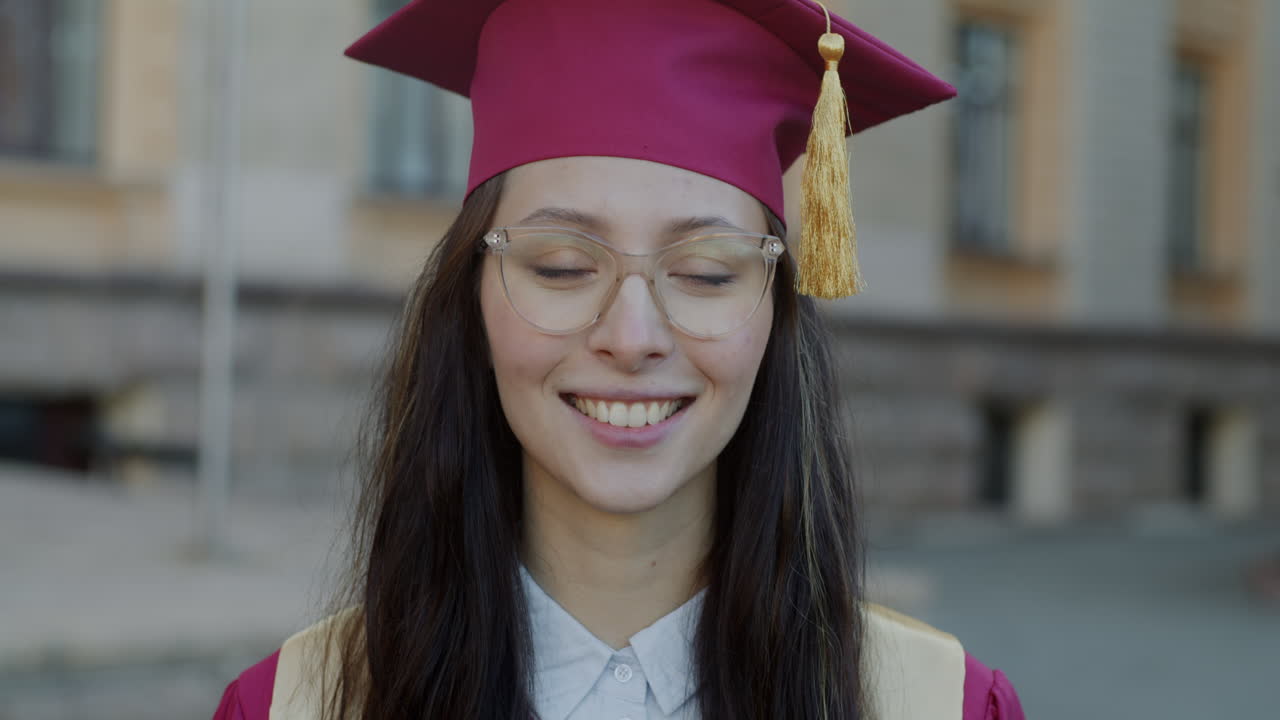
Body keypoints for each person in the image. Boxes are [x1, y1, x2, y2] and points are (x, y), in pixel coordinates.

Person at [213, 0, 1026, 718]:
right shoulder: (298, 705)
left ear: (777, 314)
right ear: (472, 299)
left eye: (707, 271)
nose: (632, 336)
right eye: (561, 266)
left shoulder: (935, 705)